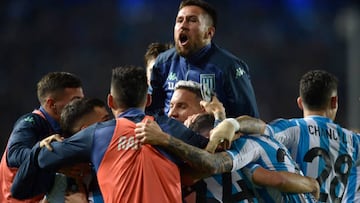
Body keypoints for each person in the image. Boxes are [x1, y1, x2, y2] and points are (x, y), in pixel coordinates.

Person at [11, 65, 209, 203]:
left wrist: (40, 147)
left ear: (111, 101)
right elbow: (212, 154)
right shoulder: (170, 128)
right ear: (148, 100)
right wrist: (223, 119)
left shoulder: (96, 134)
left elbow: (37, 164)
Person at [211, 70, 360, 203]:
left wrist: (233, 124)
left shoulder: (294, 129)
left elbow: (261, 128)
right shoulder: (353, 141)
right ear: (334, 102)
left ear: (300, 103)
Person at [135, 116, 319, 202]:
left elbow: (211, 163)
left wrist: (164, 139)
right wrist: (230, 122)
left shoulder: (245, 148)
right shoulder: (262, 139)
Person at [147, 0, 259, 119]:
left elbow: (250, 120)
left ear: (209, 33)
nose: (183, 25)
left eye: (192, 20)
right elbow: (152, 111)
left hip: (211, 137)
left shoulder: (229, 67)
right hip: (167, 136)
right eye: (180, 20)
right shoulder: (163, 63)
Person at [0, 71, 84, 202]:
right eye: (75, 102)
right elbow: (15, 154)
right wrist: (55, 163)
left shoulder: (64, 128)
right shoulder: (30, 123)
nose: (80, 107)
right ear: (51, 104)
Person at [45, 97, 110, 203]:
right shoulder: (63, 177)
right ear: (86, 132)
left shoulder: (116, 159)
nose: (113, 125)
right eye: (105, 121)